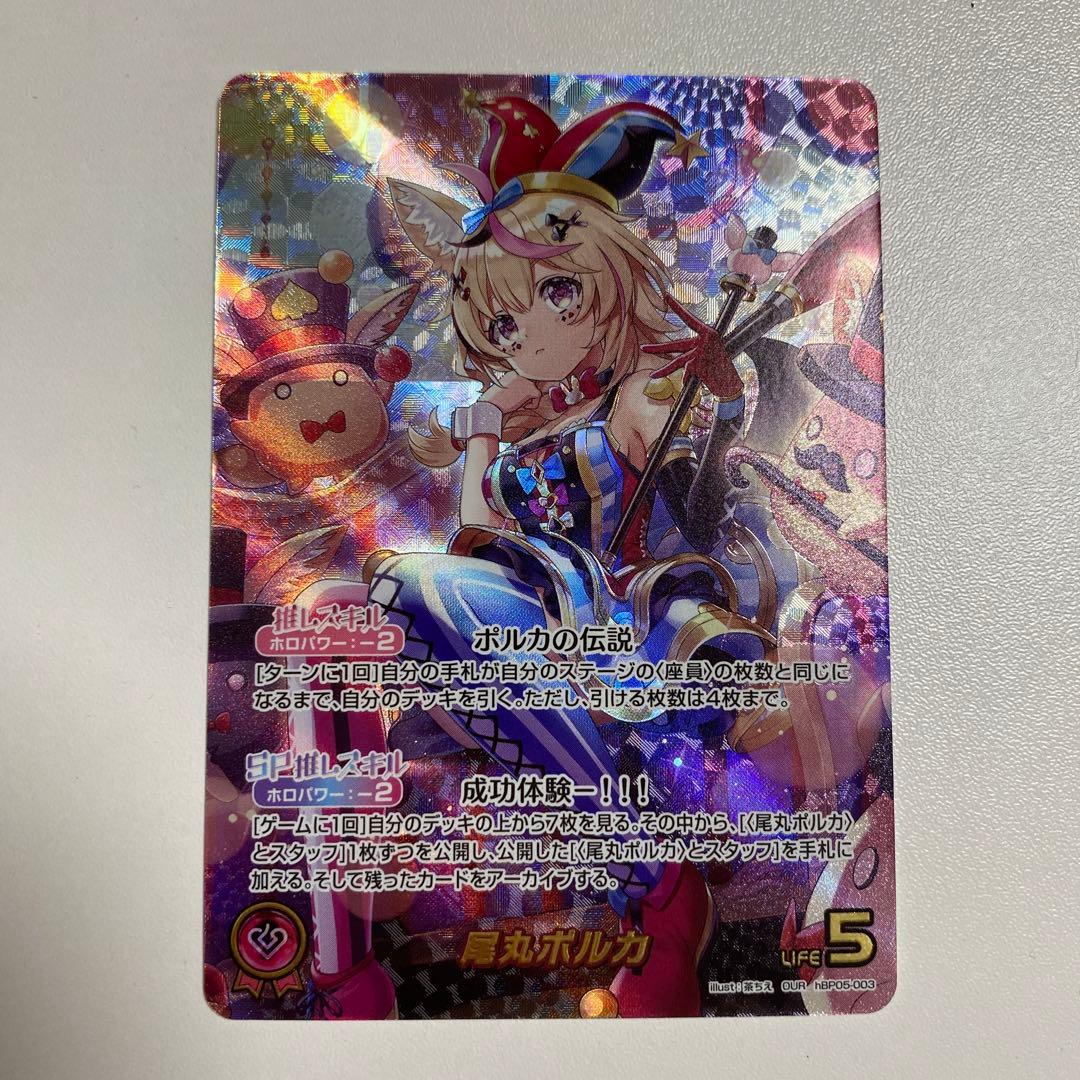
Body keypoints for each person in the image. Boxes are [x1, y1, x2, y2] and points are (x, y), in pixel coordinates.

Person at [376, 94, 771, 1017]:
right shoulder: (521, 425)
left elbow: (700, 469)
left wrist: (704, 395)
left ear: (607, 280)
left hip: (620, 621)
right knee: (405, 588)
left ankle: (650, 884)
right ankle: (644, 877)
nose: (530, 336)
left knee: (421, 588)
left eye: (558, 293)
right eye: (502, 325)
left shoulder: (636, 394)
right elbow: (478, 535)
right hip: (532, 617)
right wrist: (484, 428)